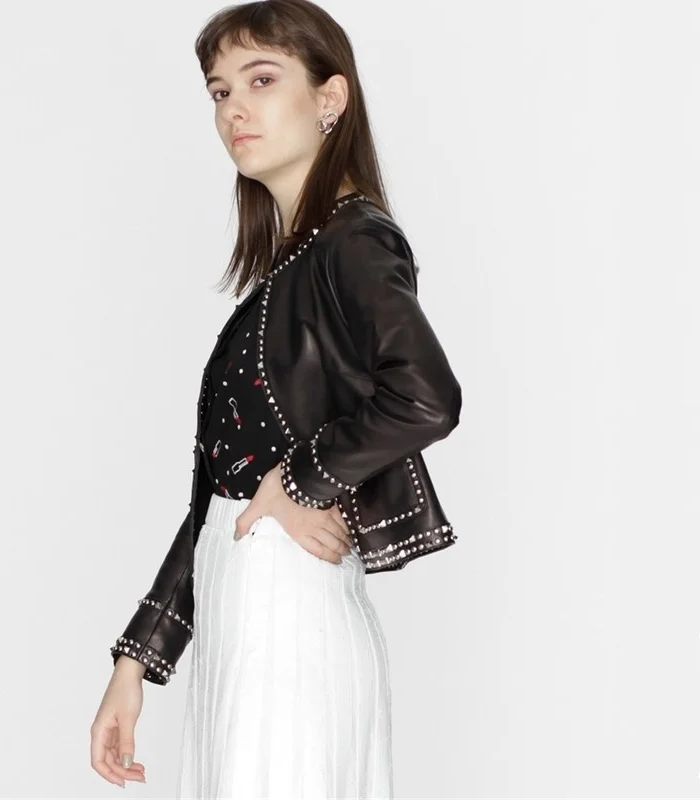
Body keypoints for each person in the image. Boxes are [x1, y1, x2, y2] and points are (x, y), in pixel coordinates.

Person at [90, 0, 462, 796]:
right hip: (245, 614)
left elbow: (426, 395)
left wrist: (300, 481)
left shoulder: (353, 241)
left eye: (261, 80)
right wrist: (137, 659)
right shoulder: (292, 268)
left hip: (287, 619)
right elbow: (226, 489)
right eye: (220, 91)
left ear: (330, 97)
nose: (234, 109)